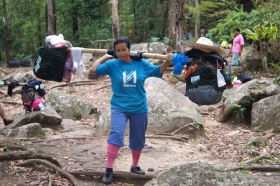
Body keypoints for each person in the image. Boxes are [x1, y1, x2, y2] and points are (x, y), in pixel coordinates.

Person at [89, 38, 173, 185]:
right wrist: (105, 56)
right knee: (116, 133)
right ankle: (109, 169)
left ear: (129, 49)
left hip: (139, 107)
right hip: (119, 107)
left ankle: (135, 166)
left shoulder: (141, 63)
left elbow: (156, 72)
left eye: (124, 49)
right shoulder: (112, 65)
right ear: (115, 52)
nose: (121, 53)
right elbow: (93, 69)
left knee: (138, 137)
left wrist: (167, 62)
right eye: (118, 50)